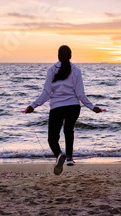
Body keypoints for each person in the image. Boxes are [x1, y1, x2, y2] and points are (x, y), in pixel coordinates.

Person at [25, 45, 102, 175]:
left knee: (52, 138)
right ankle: (70, 158)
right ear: (70, 56)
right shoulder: (76, 70)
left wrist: (33, 105)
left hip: (57, 107)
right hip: (73, 107)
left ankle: (59, 155)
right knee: (68, 130)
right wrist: (92, 107)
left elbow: (46, 93)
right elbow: (80, 94)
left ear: (58, 56)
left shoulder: (52, 70)